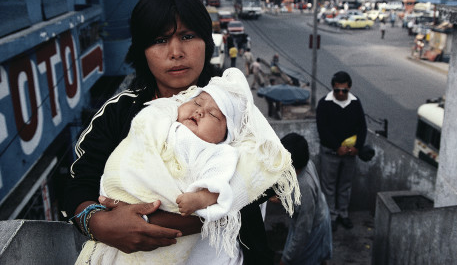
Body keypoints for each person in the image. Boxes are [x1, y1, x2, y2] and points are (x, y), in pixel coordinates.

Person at [63, 0, 286, 264]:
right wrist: (99, 224)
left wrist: (168, 220)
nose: (176, 52)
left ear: (207, 40)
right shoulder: (118, 114)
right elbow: (76, 186)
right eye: (159, 40)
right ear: (141, 50)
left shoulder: (231, 104)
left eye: (188, 35)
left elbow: (266, 174)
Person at [75, 68, 300, 264]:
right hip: (122, 200)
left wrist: (202, 198)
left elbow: (226, 178)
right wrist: (99, 221)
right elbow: (81, 182)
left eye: (213, 114)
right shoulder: (149, 113)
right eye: (196, 103)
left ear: (226, 135)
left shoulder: (219, 150)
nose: (176, 52)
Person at [316, 71, 367, 231]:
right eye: (337, 90)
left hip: (350, 154)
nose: (340, 93)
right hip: (331, 153)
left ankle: (343, 214)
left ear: (349, 88)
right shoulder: (324, 103)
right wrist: (336, 147)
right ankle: (331, 215)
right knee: (329, 187)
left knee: (345, 185)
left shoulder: (355, 103)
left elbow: (362, 127)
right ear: (333, 87)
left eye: (344, 90)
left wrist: (357, 147)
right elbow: (322, 129)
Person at [279, 133, 332, 265]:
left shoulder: (304, 186)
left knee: (306, 257)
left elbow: (303, 231)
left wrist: (286, 259)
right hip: (317, 213)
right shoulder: (306, 163)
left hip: (313, 226)